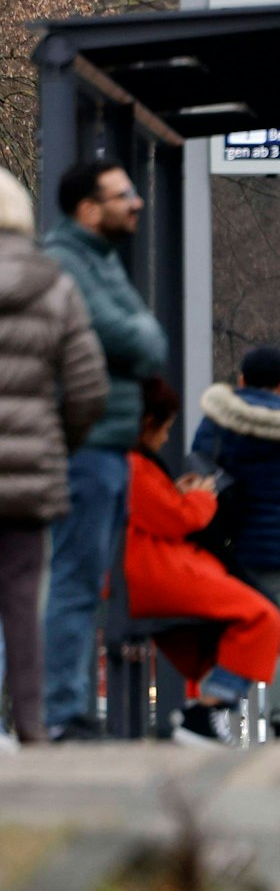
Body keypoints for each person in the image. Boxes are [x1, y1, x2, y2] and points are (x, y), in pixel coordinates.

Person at [41, 158, 168, 741]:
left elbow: (147, 339)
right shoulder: (68, 261)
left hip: (107, 449)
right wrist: (140, 343)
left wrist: (141, 342)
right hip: (85, 446)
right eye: (123, 195)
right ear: (89, 208)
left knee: (78, 582)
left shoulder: (100, 260)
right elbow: (128, 335)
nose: (137, 203)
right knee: (68, 581)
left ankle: (56, 707)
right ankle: (57, 711)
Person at [0, 167, 107, 746]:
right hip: (28, 473)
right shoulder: (54, 283)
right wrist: (55, 442)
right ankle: (32, 726)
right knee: (22, 598)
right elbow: (89, 387)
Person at [126, 378, 280, 745]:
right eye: (163, 429)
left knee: (247, 620)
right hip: (155, 569)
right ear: (148, 424)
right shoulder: (134, 464)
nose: (166, 438)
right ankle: (206, 711)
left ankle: (206, 711)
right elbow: (177, 518)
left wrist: (179, 494)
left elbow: (158, 510)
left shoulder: (130, 462)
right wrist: (202, 497)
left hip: (151, 565)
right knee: (263, 617)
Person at [190, 346, 280, 740]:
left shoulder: (218, 421)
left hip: (230, 546)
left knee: (235, 629)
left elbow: (198, 465)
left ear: (241, 380)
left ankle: (212, 711)